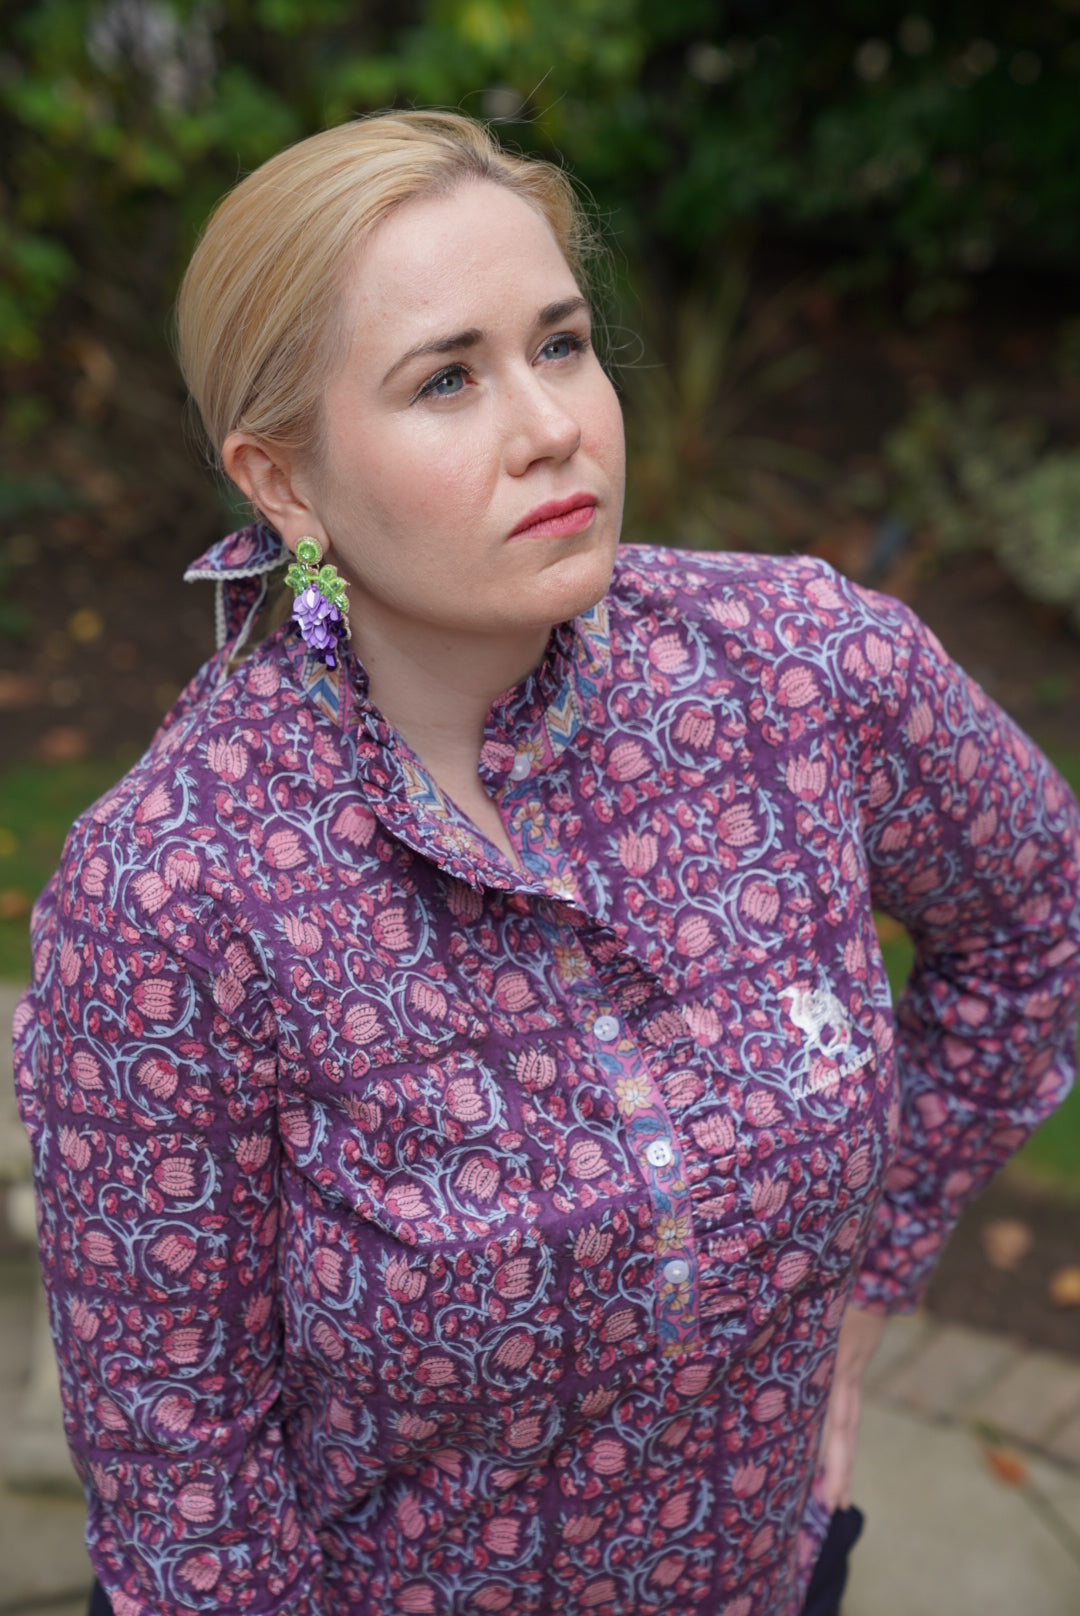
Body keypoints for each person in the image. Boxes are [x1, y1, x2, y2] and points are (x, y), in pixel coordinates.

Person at [12, 109, 1080, 1616]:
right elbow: (192, 1514)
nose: (550, 423)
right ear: (286, 483)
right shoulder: (175, 900)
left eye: (562, 344)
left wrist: (868, 1286)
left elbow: (1042, 908)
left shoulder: (801, 679)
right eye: (448, 377)